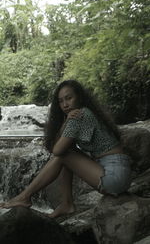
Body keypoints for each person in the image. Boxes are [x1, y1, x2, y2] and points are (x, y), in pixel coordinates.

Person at [0, 80, 131, 218]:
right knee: (67, 152)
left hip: (114, 176)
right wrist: (66, 123)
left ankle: (25, 196)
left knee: (63, 155)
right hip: (119, 172)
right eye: (61, 101)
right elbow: (57, 147)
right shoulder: (82, 114)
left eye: (69, 98)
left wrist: (68, 122)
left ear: (79, 97)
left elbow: (57, 151)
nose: (65, 105)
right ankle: (66, 203)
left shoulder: (79, 116)